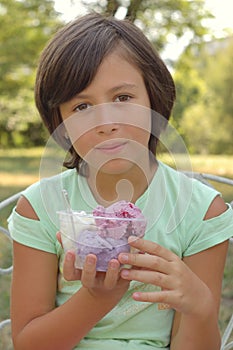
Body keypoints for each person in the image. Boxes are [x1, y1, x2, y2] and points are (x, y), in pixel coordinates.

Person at [8, 12, 233, 350]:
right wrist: (98, 297)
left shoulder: (201, 211)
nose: (106, 121)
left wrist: (200, 307)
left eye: (123, 98)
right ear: (61, 124)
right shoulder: (40, 208)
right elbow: (28, 343)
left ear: (153, 99)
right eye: (82, 106)